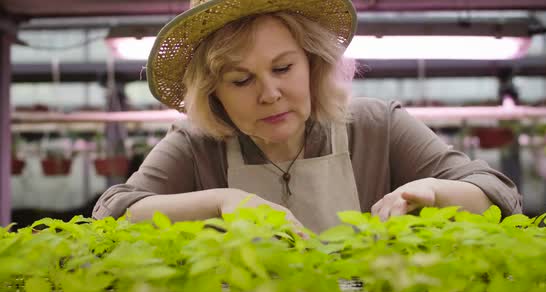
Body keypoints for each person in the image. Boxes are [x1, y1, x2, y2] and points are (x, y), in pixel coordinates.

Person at [92, 0, 522, 233]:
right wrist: (223, 202)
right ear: (213, 93)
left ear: (313, 63)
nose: (270, 93)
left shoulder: (376, 125)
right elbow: (111, 214)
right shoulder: (196, 144)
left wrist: (433, 191)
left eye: (283, 69)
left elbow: (497, 195)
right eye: (241, 81)